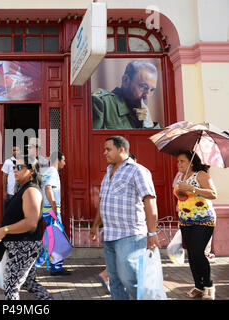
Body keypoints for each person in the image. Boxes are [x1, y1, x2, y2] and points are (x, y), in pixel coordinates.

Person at [90, 136, 160, 300]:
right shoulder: (108, 172)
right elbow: (103, 202)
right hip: (109, 235)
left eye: (108, 149)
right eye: (104, 149)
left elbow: (150, 200)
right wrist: (95, 226)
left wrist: (152, 233)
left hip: (130, 235)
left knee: (130, 278)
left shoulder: (138, 170)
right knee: (115, 281)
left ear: (122, 150)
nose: (104, 153)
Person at [0, 155, 52, 301]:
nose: (14, 170)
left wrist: (4, 230)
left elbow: (31, 222)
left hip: (24, 247)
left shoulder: (31, 191)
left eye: (19, 167)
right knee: (29, 283)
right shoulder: (24, 189)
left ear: (31, 170)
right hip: (21, 245)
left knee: (11, 287)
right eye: (13, 167)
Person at [173, 151, 217, 300]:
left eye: (182, 161)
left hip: (204, 220)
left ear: (191, 162)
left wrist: (191, 188)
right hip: (186, 221)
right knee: (191, 255)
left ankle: (209, 286)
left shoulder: (201, 175)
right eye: (178, 161)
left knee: (198, 252)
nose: (179, 164)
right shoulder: (180, 177)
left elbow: (213, 194)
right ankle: (199, 286)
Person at [97, 152, 137, 292]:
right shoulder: (109, 175)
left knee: (122, 261)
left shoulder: (137, 173)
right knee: (124, 262)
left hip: (128, 228)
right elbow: (103, 202)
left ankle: (108, 276)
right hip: (123, 230)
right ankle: (107, 275)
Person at [92, 60, 160, 129]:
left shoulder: (143, 112)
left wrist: (150, 126)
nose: (147, 95)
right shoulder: (101, 103)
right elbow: (88, 139)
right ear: (125, 80)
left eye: (151, 90)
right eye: (143, 87)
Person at [35, 151, 71, 275]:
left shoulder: (50, 172)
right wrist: (54, 205)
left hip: (49, 211)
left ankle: (56, 267)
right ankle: (35, 265)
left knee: (54, 239)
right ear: (58, 160)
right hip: (51, 211)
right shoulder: (52, 172)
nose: (64, 163)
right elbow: (48, 188)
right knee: (52, 239)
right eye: (64, 160)